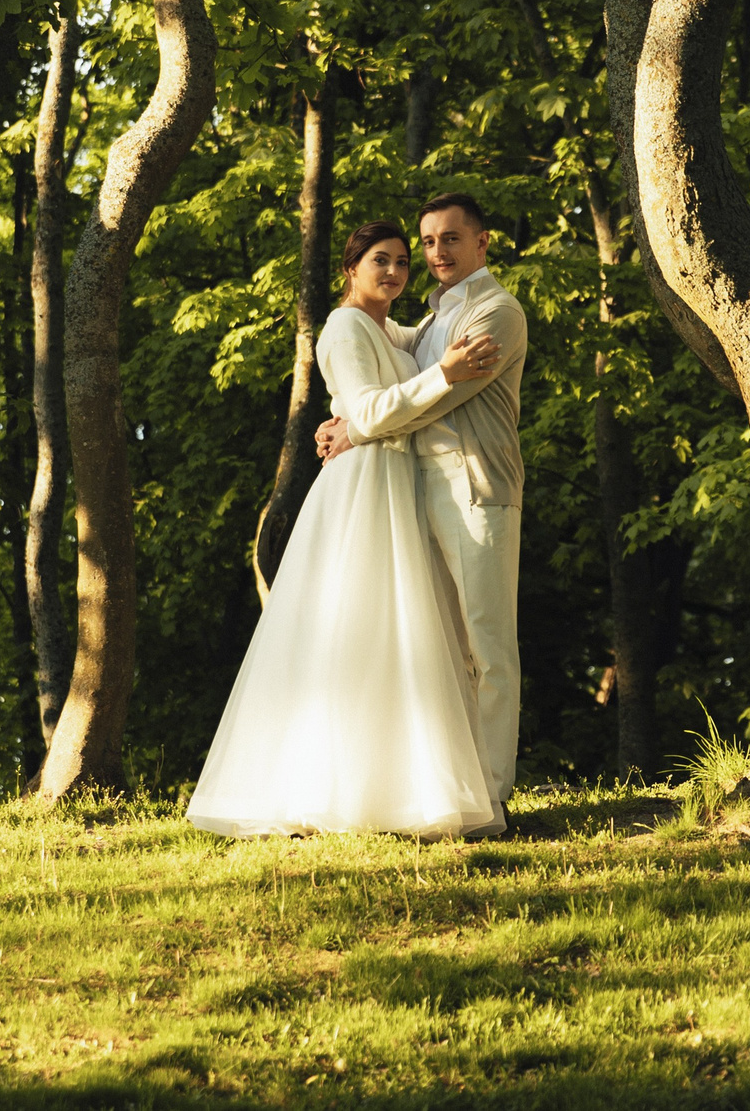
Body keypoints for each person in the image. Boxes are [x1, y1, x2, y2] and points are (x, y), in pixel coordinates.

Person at [185, 220, 504, 838]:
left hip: (397, 483)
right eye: (380, 261)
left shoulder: (395, 331)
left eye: (402, 263)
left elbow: (428, 346)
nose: (394, 272)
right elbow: (367, 411)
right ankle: (326, 788)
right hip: (363, 487)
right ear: (350, 269)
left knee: (400, 633)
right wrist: (444, 376)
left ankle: (394, 791)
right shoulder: (344, 326)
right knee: (351, 627)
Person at [316, 192, 530, 821]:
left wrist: (356, 430)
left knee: (489, 649)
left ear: (482, 242)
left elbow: (440, 398)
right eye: (428, 244)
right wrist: (349, 413)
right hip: (413, 495)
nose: (436, 254)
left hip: (476, 490)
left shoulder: (498, 312)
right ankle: (449, 789)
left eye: (450, 240)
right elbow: (384, 365)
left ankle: (492, 795)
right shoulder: (431, 319)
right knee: (441, 649)